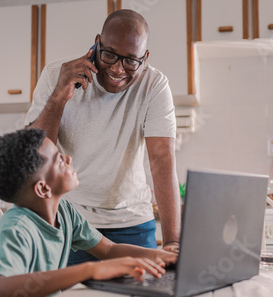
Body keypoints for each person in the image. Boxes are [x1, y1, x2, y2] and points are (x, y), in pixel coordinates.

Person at [0, 128, 177, 297]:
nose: (68, 158)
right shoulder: (17, 229)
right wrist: (90, 270)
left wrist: (167, 257)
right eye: (59, 160)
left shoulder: (66, 212)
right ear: (43, 188)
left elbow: (109, 250)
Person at [25, 9, 182, 264]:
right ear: (97, 42)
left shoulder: (154, 85)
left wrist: (173, 241)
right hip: (69, 221)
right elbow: (34, 154)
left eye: (131, 61)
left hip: (132, 224)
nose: (118, 69)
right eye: (109, 54)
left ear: (146, 57)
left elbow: (162, 160)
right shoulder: (56, 75)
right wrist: (59, 96)